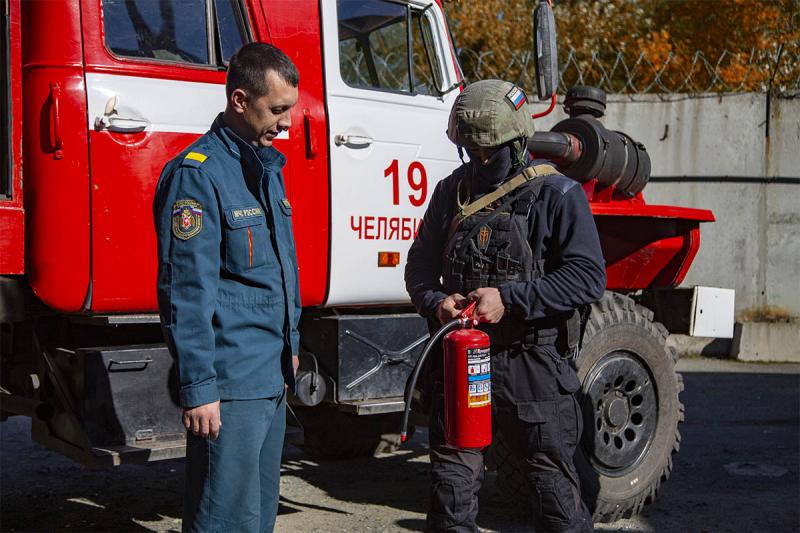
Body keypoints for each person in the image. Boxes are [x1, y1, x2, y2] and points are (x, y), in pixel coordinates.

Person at [405, 79, 606, 533]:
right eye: (470, 151)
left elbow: (588, 278)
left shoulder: (558, 195)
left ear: (517, 144)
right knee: (450, 491)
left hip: (531, 365)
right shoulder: (450, 192)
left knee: (553, 490)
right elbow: (417, 266)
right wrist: (438, 303)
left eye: (488, 151)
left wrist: (509, 299)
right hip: (463, 359)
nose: (478, 161)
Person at [153, 43, 301, 533]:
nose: (287, 123)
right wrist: (198, 389)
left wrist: (291, 348)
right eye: (277, 110)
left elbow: (277, 272)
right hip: (231, 381)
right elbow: (186, 291)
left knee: (257, 515)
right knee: (224, 518)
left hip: (269, 374)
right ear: (240, 100)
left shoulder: (265, 168)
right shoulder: (198, 175)